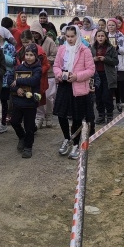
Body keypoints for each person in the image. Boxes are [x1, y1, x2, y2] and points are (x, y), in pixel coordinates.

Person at [53, 26, 95, 160]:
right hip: (64, 85)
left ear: (78, 36)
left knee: (77, 116)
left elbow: (90, 70)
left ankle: (76, 144)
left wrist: (77, 76)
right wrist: (60, 75)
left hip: (78, 86)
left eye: (72, 36)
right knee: (61, 114)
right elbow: (56, 66)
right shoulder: (62, 49)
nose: (70, 39)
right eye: (67, 36)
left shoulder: (84, 50)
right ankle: (67, 138)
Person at [10, 43, 42, 158]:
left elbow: (34, 81)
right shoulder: (19, 68)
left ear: (36, 56)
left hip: (30, 103)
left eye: (31, 55)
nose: (28, 57)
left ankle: (28, 147)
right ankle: (22, 137)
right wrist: (17, 88)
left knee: (29, 127)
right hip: (18, 102)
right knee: (14, 122)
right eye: (27, 54)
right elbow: (10, 80)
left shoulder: (38, 69)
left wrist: (18, 81)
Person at [31, 21, 58, 128]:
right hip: (37, 74)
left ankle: (49, 115)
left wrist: (44, 60)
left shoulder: (49, 42)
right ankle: (39, 116)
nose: (34, 35)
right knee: (38, 96)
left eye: (36, 32)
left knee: (49, 96)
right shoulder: (32, 44)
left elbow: (55, 56)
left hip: (49, 73)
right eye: (32, 33)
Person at [91, 28, 117, 124]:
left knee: (107, 96)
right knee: (98, 96)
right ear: (96, 38)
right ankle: (101, 115)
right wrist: (93, 59)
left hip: (107, 75)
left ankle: (109, 114)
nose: (100, 38)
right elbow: (87, 61)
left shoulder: (111, 48)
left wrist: (105, 59)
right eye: (99, 36)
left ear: (106, 37)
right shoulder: (92, 48)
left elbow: (115, 61)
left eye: (102, 36)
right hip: (96, 75)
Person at [0, 26, 16, 134]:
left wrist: (1, 53)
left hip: (6, 78)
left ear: (2, 36)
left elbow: (12, 61)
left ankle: (3, 123)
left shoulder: (10, 47)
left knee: (4, 101)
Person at [106, 19, 124, 109]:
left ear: (116, 26)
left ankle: (118, 101)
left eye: (113, 25)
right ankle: (109, 104)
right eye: (109, 25)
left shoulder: (121, 36)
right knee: (108, 84)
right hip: (107, 63)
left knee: (118, 84)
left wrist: (117, 47)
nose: (111, 27)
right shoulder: (105, 35)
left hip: (118, 63)